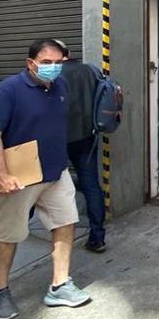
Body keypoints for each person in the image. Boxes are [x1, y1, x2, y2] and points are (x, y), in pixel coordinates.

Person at [0, 39, 91, 319]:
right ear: (31, 63)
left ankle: (60, 285)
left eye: (58, 63)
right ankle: (0, 291)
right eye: (46, 62)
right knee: (9, 235)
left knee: (65, 224)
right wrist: (1, 174)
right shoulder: (10, 89)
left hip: (55, 172)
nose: (53, 68)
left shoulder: (60, 86)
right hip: (19, 177)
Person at [55, 40, 107, 253]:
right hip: (87, 137)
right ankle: (97, 237)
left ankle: (23, 222)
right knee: (91, 185)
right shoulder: (91, 71)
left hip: (56, 140)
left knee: (40, 183)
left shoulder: (53, 75)